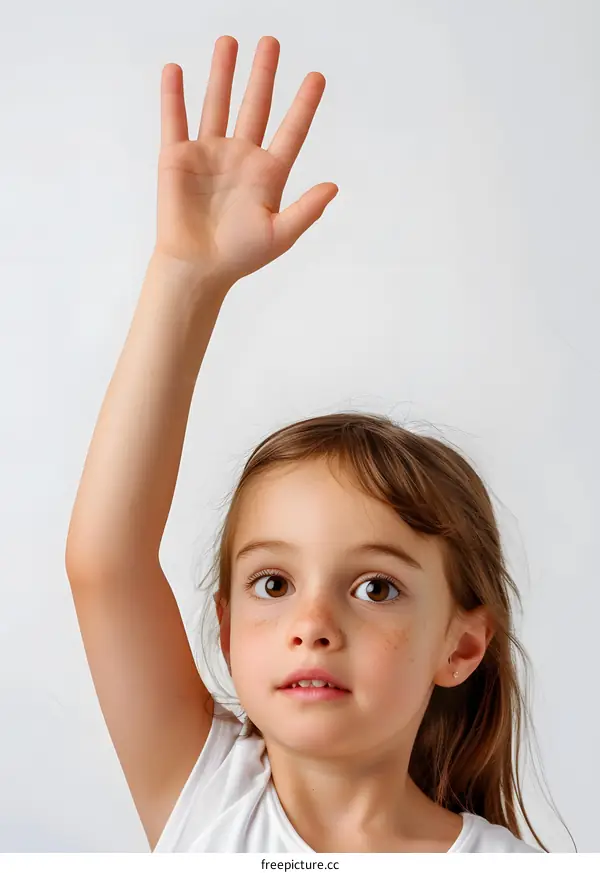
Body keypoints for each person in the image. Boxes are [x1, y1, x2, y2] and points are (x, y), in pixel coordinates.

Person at [65, 35, 552, 853]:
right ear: (225, 631)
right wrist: (185, 277)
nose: (313, 622)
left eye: (375, 588)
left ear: (461, 643)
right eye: (272, 581)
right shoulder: (210, 795)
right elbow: (105, 559)